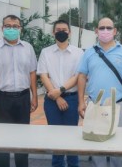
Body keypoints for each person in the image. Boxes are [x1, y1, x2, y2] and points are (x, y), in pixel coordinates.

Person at [77, 17, 122, 167]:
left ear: (114, 31)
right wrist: (81, 102)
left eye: (109, 28)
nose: (105, 31)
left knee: (118, 144)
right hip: (94, 104)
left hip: (118, 105)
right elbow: (82, 76)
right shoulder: (89, 52)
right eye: (101, 28)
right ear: (96, 31)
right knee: (96, 144)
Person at [0, 14, 38, 167]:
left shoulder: (28, 48)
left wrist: (34, 96)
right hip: (2, 99)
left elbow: (32, 74)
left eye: (15, 26)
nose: (11, 29)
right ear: (2, 28)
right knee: (2, 142)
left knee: (22, 140)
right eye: (8, 26)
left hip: (23, 98)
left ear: (20, 29)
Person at [37, 19, 83, 167]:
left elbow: (77, 77)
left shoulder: (78, 53)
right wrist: (56, 97)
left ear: (70, 32)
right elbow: (43, 75)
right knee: (55, 138)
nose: (61, 32)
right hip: (51, 101)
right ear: (53, 32)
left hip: (71, 99)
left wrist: (60, 91)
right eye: (58, 30)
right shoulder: (46, 52)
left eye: (64, 29)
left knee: (71, 139)